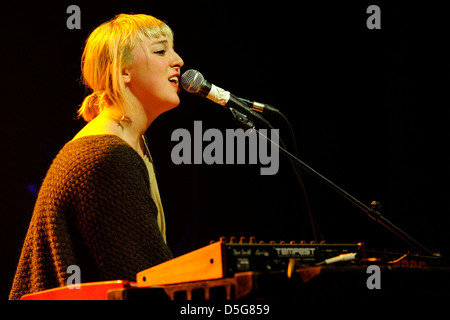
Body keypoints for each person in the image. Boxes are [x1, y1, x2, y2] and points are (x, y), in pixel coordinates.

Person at [9, 13, 184, 300]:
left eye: (174, 49)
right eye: (161, 50)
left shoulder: (127, 147)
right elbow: (145, 281)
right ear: (123, 72)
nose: (178, 60)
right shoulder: (106, 157)